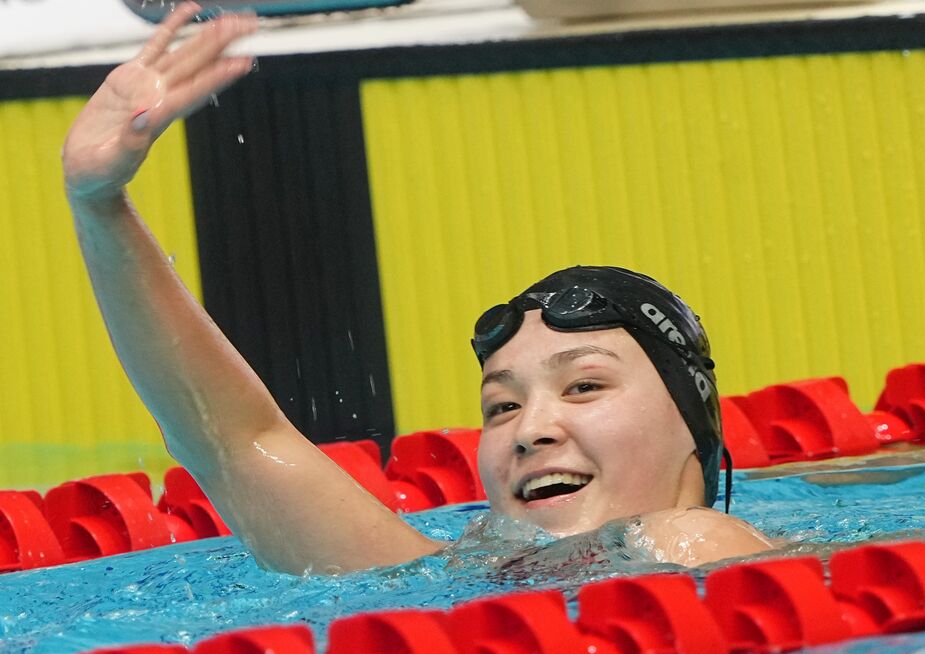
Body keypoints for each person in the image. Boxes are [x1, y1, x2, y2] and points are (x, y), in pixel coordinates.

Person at [61, 3, 772, 575]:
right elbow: (236, 440)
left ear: (695, 423)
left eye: (584, 386)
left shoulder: (690, 542)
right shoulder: (461, 579)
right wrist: (100, 205)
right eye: (501, 406)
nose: (531, 430)